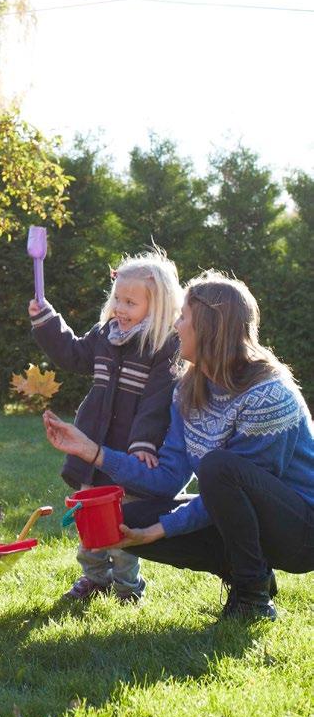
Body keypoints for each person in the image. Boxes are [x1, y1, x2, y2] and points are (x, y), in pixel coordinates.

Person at [44, 271, 314, 621]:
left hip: (302, 532)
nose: (175, 325)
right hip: (247, 517)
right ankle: (248, 571)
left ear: (208, 328)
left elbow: (239, 488)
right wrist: (91, 451)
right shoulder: (188, 390)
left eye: (183, 316)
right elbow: (168, 480)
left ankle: (252, 598)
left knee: (219, 468)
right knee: (128, 516)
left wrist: (159, 530)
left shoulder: (269, 395)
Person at [30, 248, 182, 603]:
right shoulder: (105, 334)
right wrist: (46, 321)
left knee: (123, 520)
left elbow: (157, 403)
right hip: (93, 441)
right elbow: (72, 353)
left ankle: (128, 586)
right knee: (89, 517)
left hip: (127, 452)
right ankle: (94, 577)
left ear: (156, 306)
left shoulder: (162, 346)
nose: (120, 309)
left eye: (131, 302)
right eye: (118, 299)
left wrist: (143, 444)